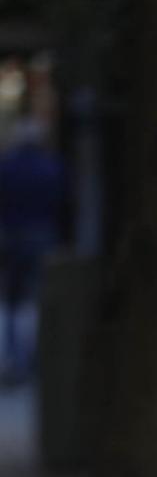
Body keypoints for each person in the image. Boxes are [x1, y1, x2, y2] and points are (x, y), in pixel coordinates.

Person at [0, 118, 68, 384]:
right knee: (34, 299)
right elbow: (64, 203)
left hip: (10, 237)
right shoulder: (51, 167)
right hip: (42, 237)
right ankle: (30, 358)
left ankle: (13, 357)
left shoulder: (7, 167)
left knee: (12, 299)